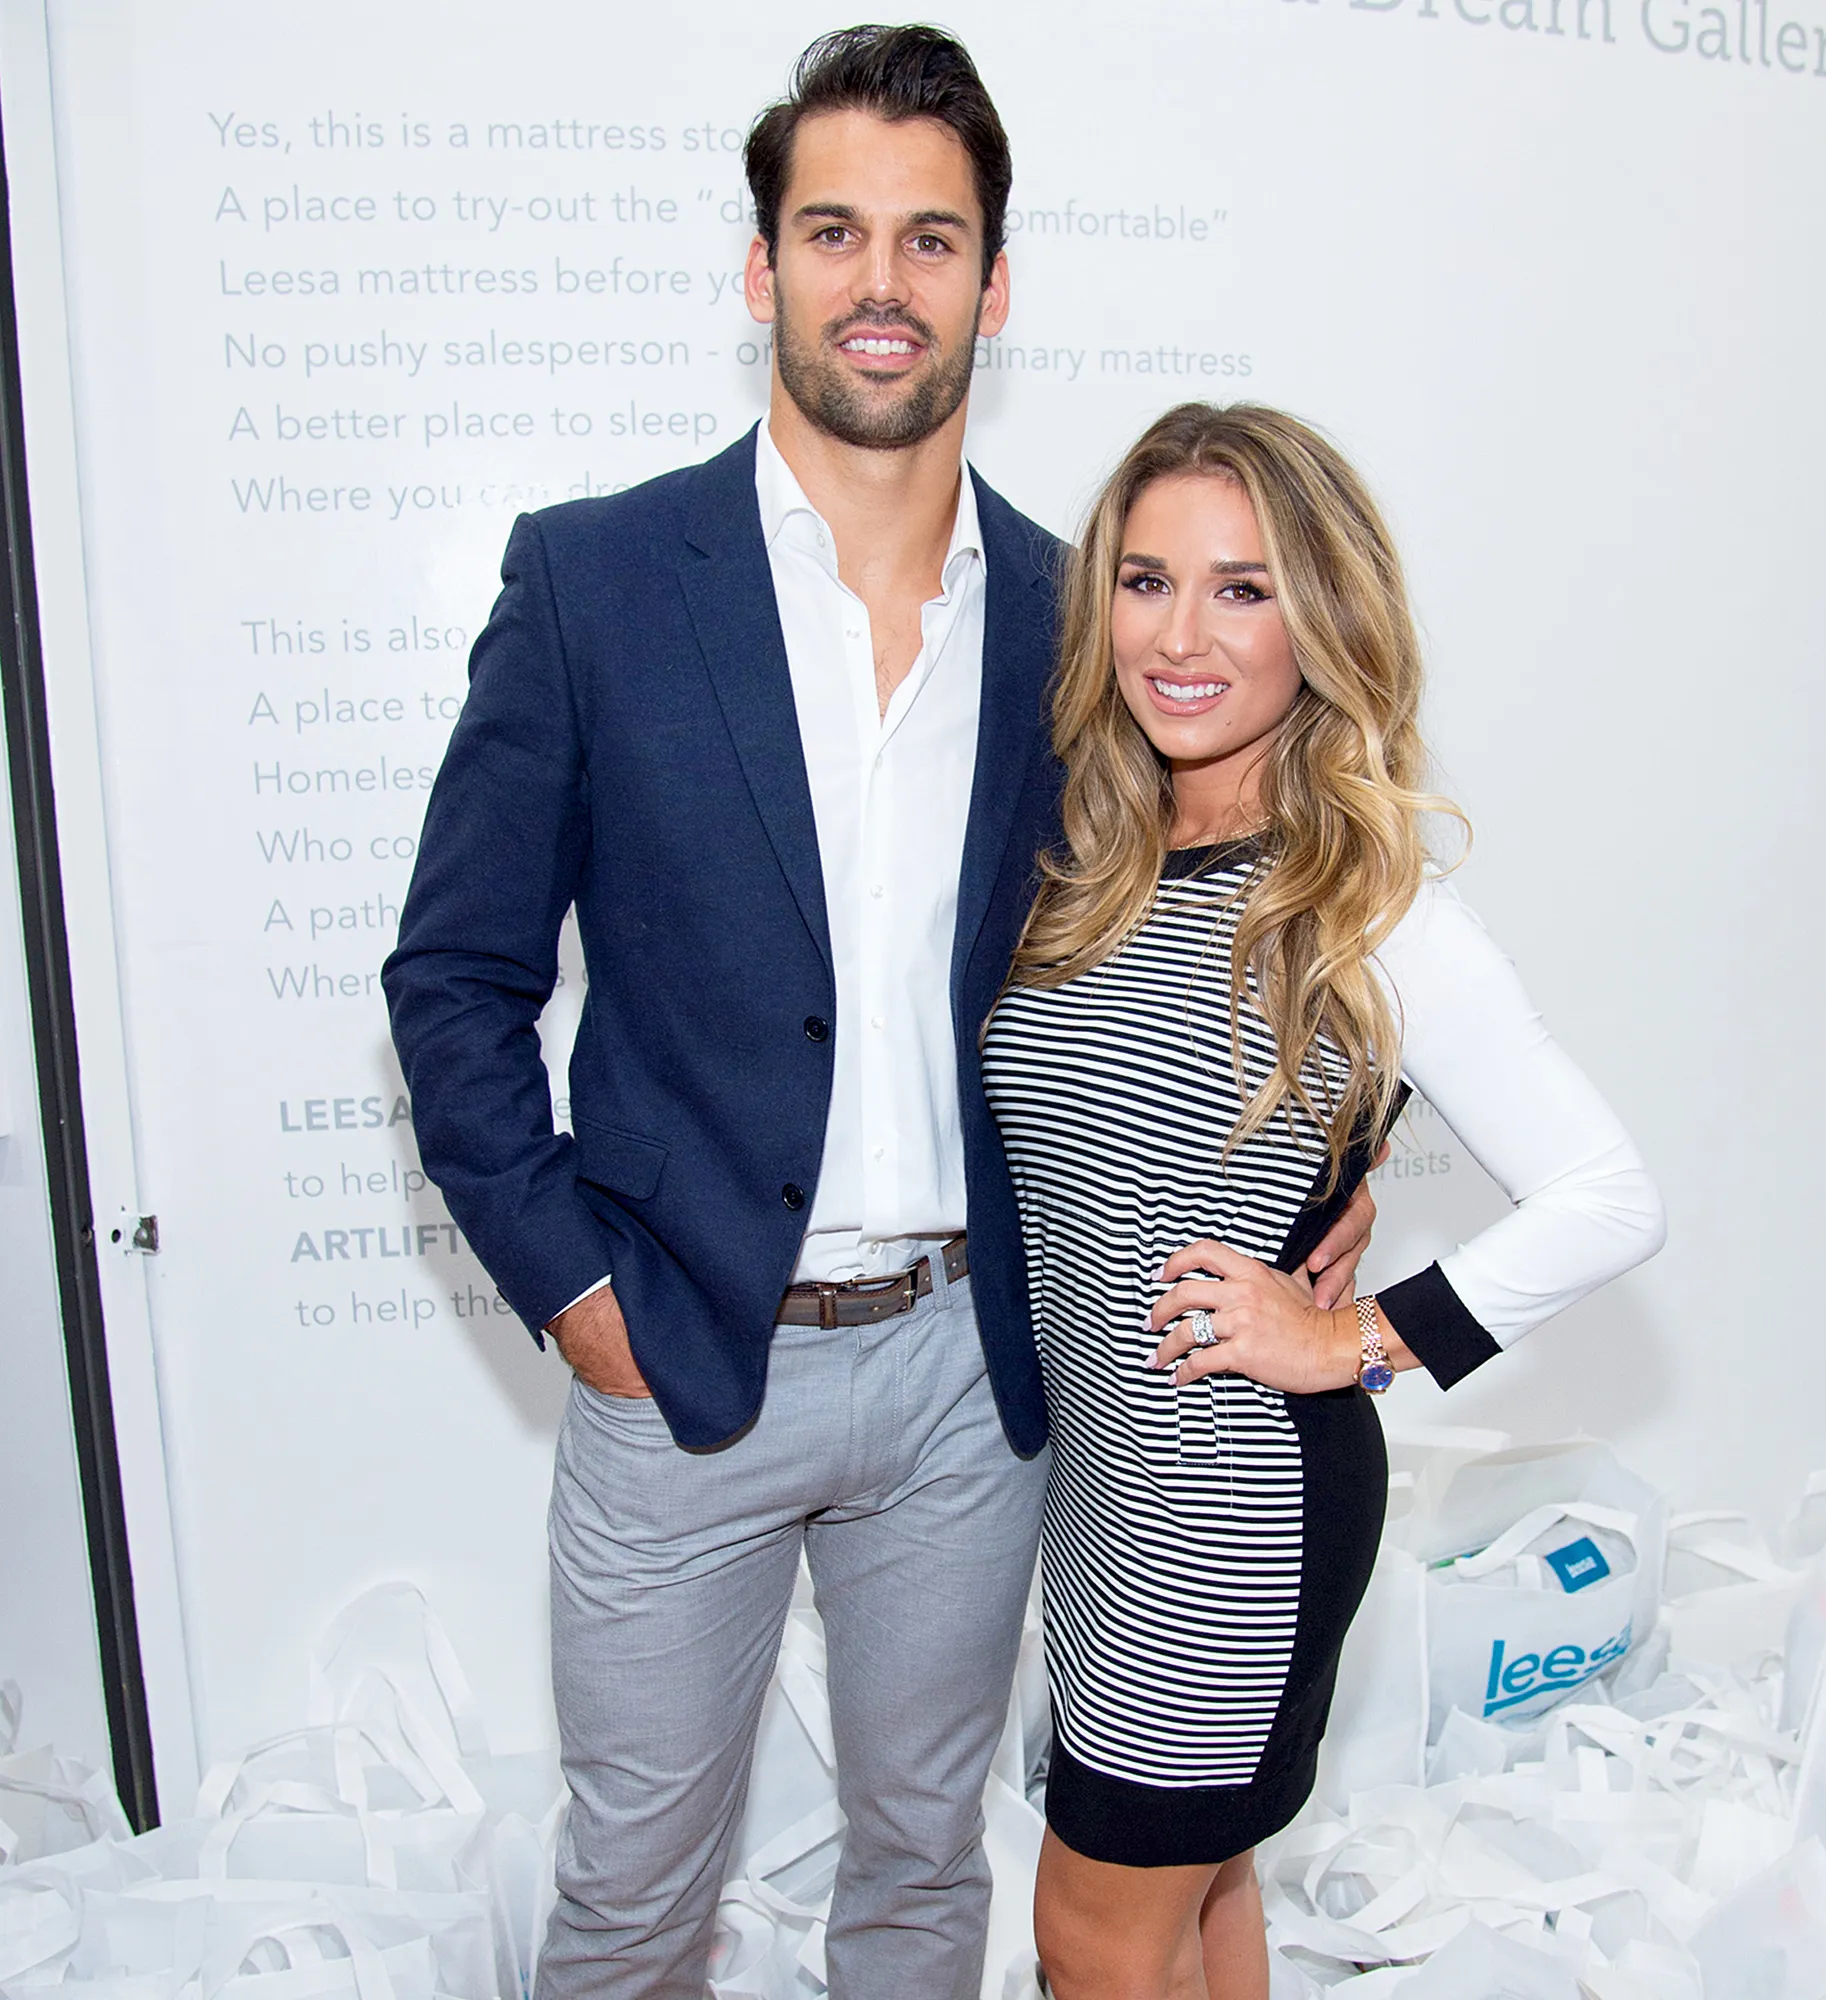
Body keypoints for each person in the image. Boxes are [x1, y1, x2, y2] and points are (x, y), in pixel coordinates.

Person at [383, 33, 1374, 2000]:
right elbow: (454, 976)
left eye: (932, 239)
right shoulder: (594, 581)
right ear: (762, 269)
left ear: (992, 288)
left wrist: (1315, 1188)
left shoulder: (1077, 617)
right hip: (674, 1350)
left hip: (966, 1383)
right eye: (832, 231)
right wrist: (579, 1300)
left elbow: (1249, 886)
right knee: (634, 1901)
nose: (881, 281)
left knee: (925, 1877)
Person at [982, 402, 1668, 2000]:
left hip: (1230, 1503)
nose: (1181, 634)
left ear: (1324, 618)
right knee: (1204, 1891)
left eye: (1243, 587)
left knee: (1094, 1930)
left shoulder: (1371, 903)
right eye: (1146, 581)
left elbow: (1607, 1194)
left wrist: (1359, 1334)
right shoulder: (1096, 854)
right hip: (1103, 1483)